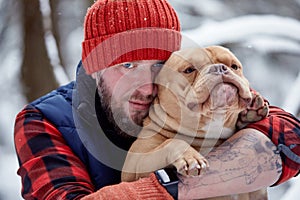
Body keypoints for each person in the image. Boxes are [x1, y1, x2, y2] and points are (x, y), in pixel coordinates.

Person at [14, 0, 300, 199]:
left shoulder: (190, 92)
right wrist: (178, 183)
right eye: (128, 66)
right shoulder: (46, 120)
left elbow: (291, 141)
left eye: (160, 65)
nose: (148, 86)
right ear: (95, 69)